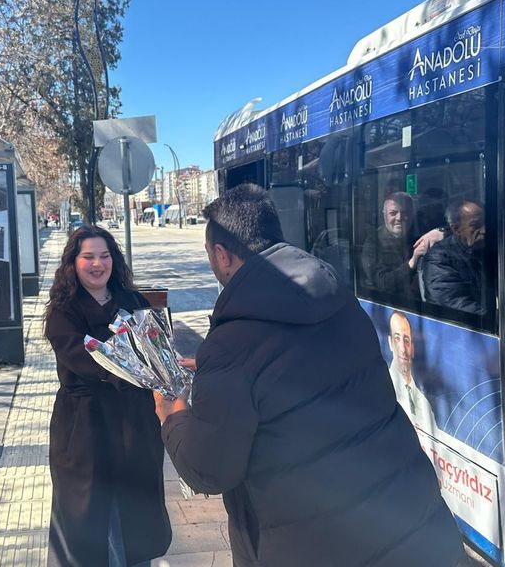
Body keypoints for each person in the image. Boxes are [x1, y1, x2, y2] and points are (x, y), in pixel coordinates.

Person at [155, 184, 463, 567]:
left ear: (222, 254)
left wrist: (172, 413)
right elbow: (298, 375)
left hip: (315, 545)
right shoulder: (340, 301)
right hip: (411, 525)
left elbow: (209, 469)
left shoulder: (231, 344)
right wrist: (221, 374)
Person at [44, 226, 171, 567]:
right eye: (88, 257)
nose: (97, 264)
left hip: (135, 424)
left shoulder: (133, 302)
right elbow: (86, 360)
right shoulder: (63, 312)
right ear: (74, 262)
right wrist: (131, 366)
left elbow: (158, 351)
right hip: (86, 428)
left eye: (104, 256)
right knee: (93, 520)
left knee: (135, 516)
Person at [422, 200, 487, 314]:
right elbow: (454, 302)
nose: (484, 230)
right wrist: (495, 318)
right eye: (475, 225)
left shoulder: (489, 249)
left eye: (486, 223)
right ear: (456, 229)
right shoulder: (439, 258)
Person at [361, 193, 428, 298]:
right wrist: (412, 263)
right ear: (384, 215)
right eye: (393, 213)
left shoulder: (419, 235)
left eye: (405, 212)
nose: (399, 217)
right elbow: (383, 283)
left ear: (412, 215)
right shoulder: (373, 243)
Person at [387, 311, 438, 435]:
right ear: (390, 343)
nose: (403, 349)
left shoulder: (424, 404)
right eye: (397, 338)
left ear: (413, 348)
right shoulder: (382, 386)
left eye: (406, 340)